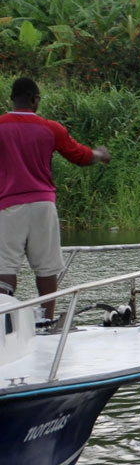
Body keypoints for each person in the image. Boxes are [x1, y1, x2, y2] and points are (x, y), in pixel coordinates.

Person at [0, 77, 111, 318]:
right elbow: (79, 155)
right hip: (43, 205)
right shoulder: (50, 129)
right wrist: (99, 154)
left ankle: (3, 319)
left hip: (8, 205)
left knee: (5, 266)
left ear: (12, 100)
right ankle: (46, 319)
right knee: (46, 266)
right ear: (34, 100)